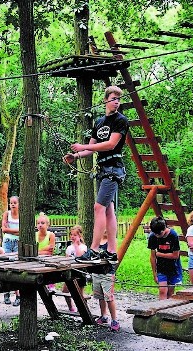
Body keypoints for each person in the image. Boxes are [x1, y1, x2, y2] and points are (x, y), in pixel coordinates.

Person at [63, 86, 128, 264]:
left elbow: (110, 145)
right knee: (108, 210)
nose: (116, 101)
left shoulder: (121, 120)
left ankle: (94, 249)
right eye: (114, 98)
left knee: (98, 208)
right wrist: (75, 156)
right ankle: (112, 251)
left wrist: (83, 147)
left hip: (113, 169)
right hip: (102, 170)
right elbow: (91, 148)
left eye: (118, 99)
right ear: (105, 100)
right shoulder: (99, 123)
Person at [147, 217, 182, 300]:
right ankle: (160, 309)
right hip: (161, 268)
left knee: (170, 293)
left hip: (173, 268)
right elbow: (152, 256)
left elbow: (175, 255)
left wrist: (160, 254)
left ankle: (167, 310)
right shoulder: (153, 237)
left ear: (164, 228)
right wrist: (154, 273)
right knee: (162, 291)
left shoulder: (173, 235)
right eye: (155, 234)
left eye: (159, 234)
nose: (157, 236)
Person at [93, 231, 120, 331]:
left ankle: (114, 320)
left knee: (109, 297)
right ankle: (103, 315)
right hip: (96, 272)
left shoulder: (112, 241)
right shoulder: (96, 241)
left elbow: (112, 256)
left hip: (107, 273)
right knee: (100, 296)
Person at [1, 195, 20, 306]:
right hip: (7, 242)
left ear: (19, 204)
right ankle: (6, 292)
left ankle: (18, 295)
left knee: (16, 268)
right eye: (11, 203)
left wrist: (10, 230)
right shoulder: (6, 214)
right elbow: (4, 230)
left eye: (14, 203)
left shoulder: (22, 215)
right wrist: (15, 231)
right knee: (6, 267)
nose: (12, 204)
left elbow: (22, 231)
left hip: (17, 243)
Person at [63, 225, 87, 312]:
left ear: (80, 236)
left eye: (75, 235)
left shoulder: (83, 247)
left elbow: (80, 256)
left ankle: (83, 309)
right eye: (71, 235)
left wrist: (76, 245)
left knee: (79, 294)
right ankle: (71, 307)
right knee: (65, 291)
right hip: (70, 272)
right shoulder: (69, 248)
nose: (72, 237)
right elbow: (66, 259)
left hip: (80, 273)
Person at [36, 213, 56, 291]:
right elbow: (34, 252)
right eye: (38, 223)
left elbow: (50, 250)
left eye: (42, 223)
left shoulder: (51, 235)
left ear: (47, 225)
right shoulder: (35, 235)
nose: (40, 225)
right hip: (36, 260)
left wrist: (38, 251)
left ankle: (51, 284)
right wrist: (43, 251)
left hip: (48, 259)